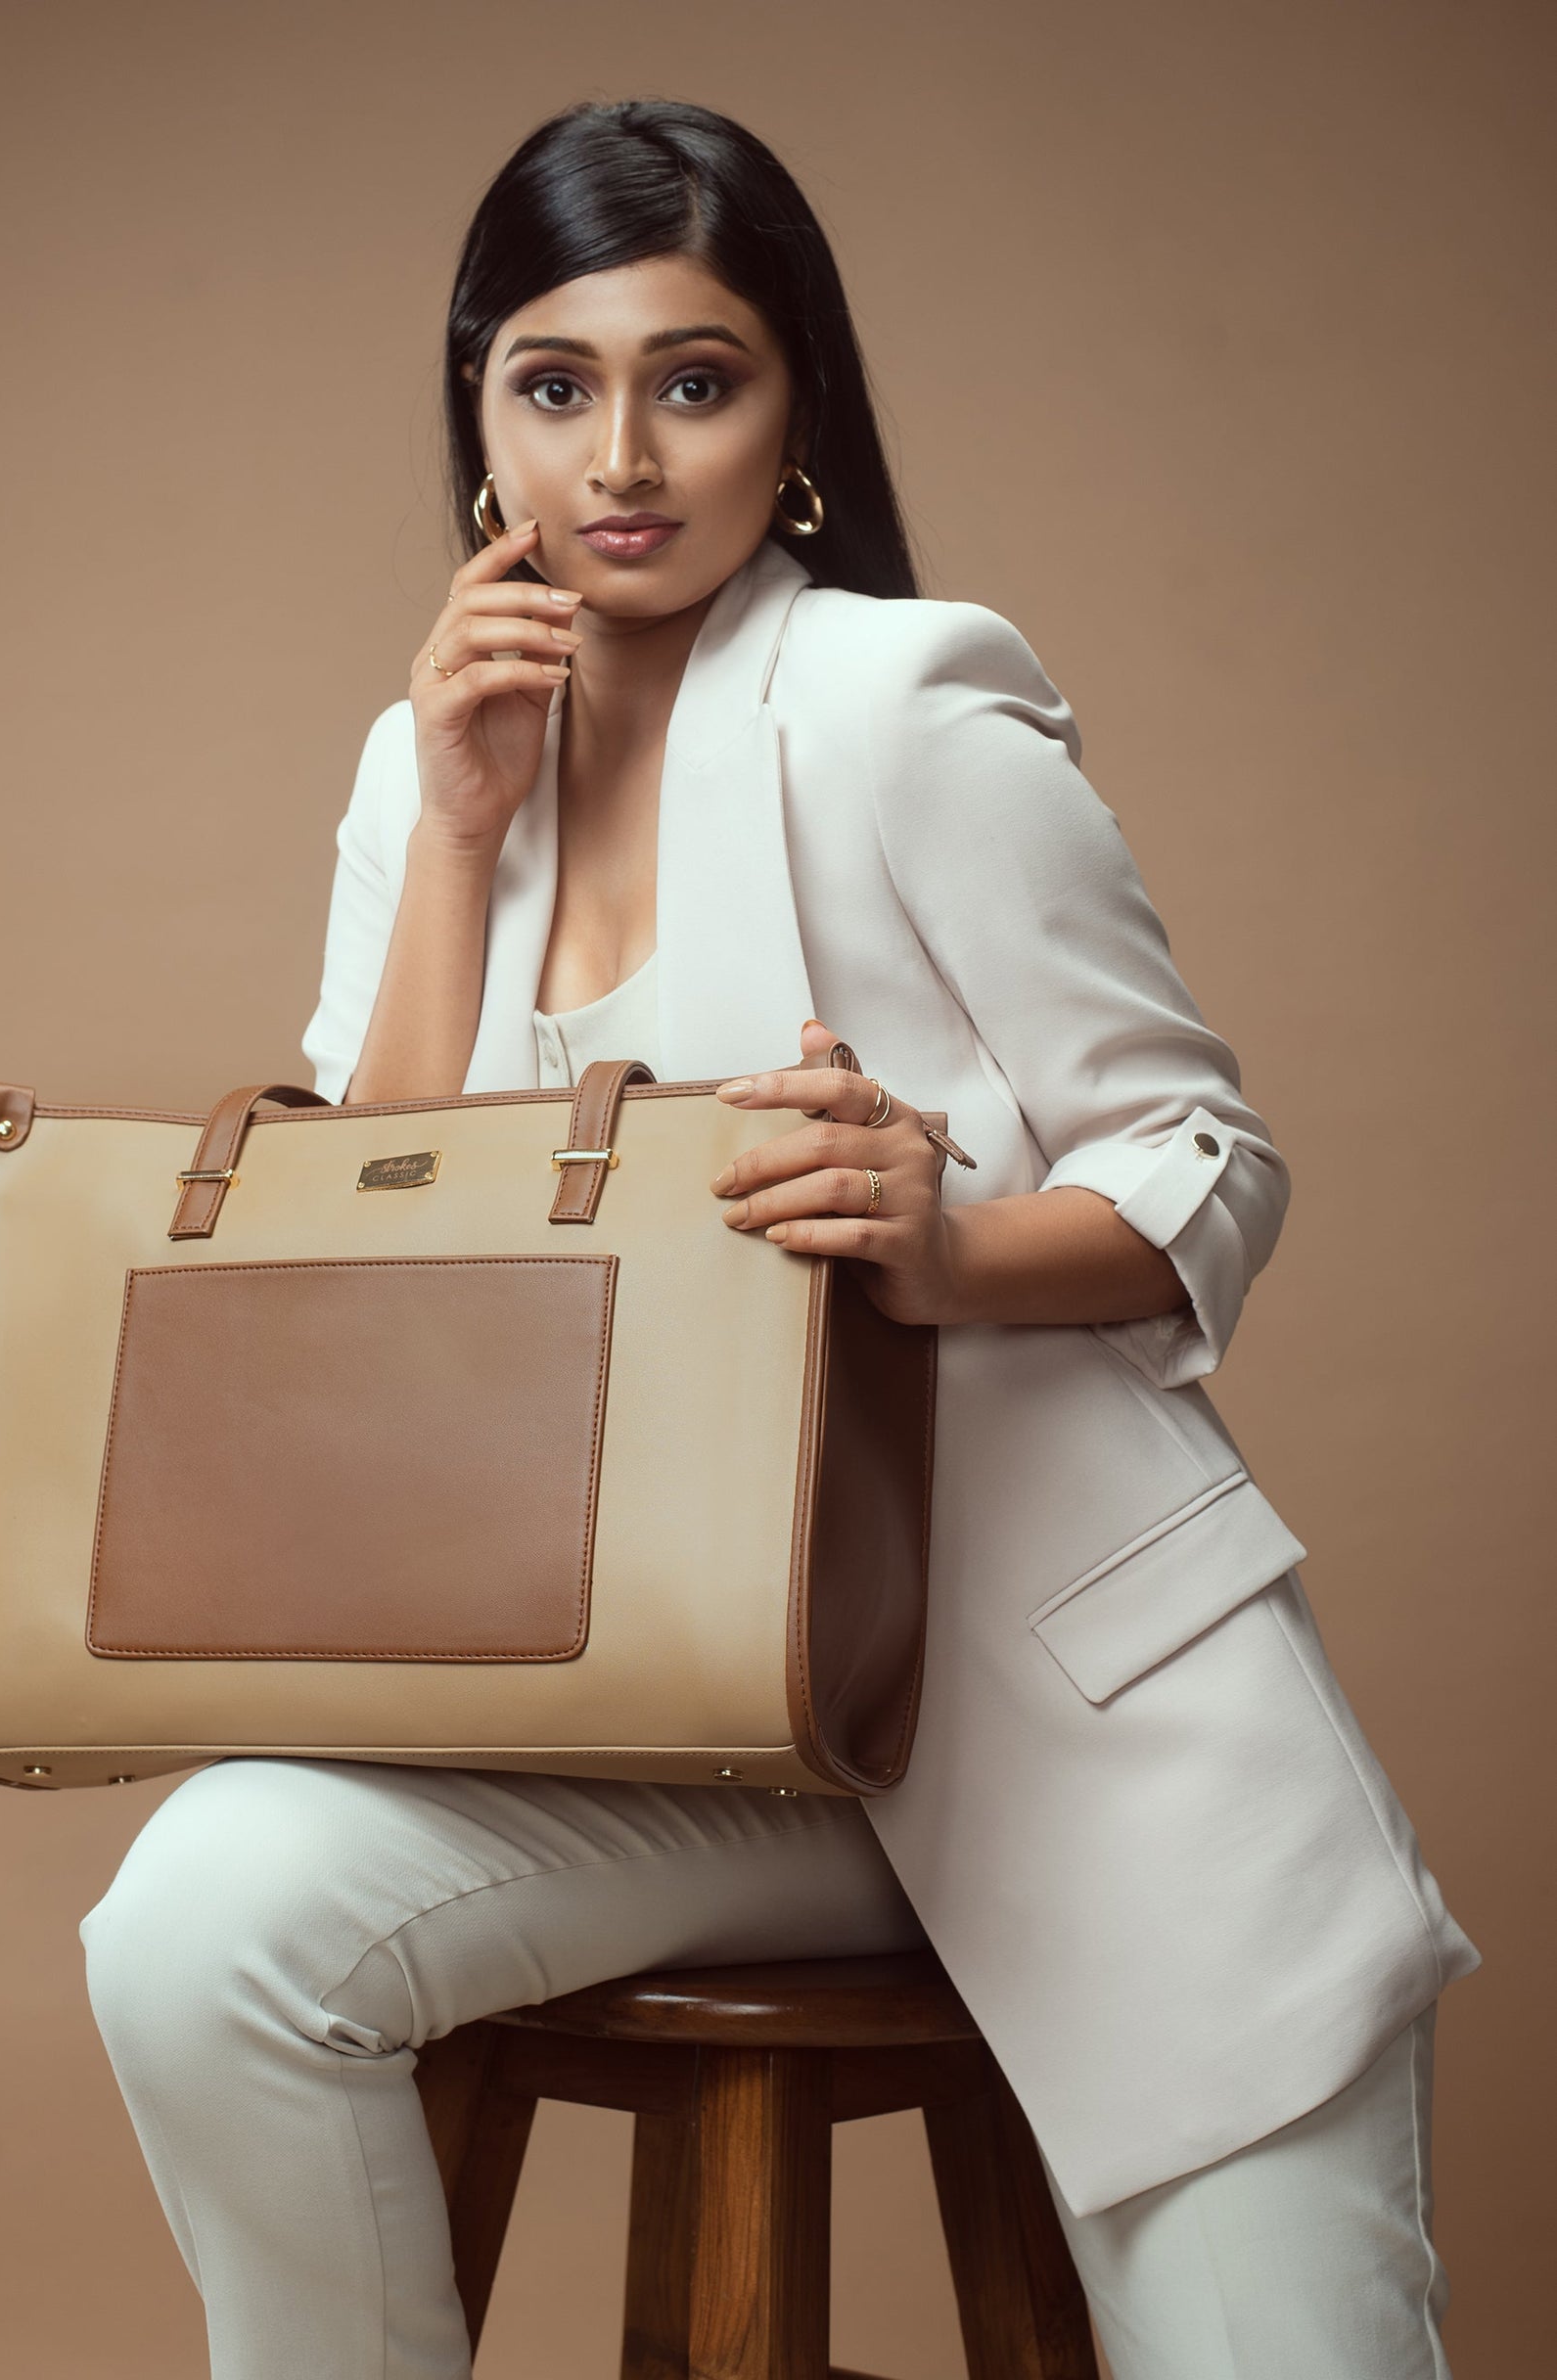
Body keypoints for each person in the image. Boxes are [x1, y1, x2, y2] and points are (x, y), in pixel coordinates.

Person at [78, 98, 1478, 2379]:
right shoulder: (410, 770)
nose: (619, 456)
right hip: (667, 1732)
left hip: (1049, 1726)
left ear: (791, 413)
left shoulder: (898, 708)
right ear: (479, 417)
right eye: (553, 383)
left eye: (694, 378)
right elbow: (362, 1292)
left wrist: (942, 1242)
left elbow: (1207, 1166)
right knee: (198, 1925)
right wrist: (450, 838)